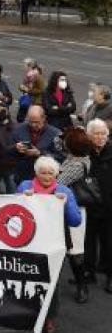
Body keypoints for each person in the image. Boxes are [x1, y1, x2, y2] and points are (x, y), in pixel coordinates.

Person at [16, 156, 84, 330]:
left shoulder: (64, 190)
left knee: (51, 283)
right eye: (43, 173)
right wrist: (23, 199)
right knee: (28, 280)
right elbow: (13, 212)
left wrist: (66, 204)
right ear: (36, 173)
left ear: (56, 174)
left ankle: (49, 318)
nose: (47, 177)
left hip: (56, 244)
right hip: (30, 243)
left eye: (50, 173)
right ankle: (29, 315)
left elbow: (75, 221)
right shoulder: (25, 186)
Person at [57, 127, 96, 303]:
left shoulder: (76, 165)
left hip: (72, 209)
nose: (63, 142)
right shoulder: (80, 158)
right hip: (71, 208)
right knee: (73, 249)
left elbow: (57, 183)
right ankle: (81, 283)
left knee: (74, 250)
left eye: (66, 140)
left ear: (71, 145)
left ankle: (82, 287)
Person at [85, 118, 112, 293]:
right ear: (89, 135)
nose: (100, 137)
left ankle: (110, 276)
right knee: (89, 240)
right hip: (89, 204)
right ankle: (89, 272)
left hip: (110, 205)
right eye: (96, 133)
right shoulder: (84, 153)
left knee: (109, 242)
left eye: (103, 133)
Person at [9, 105, 62, 184]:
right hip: (22, 177)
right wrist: (16, 148)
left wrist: (40, 153)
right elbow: (7, 151)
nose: (33, 125)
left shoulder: (56, 133)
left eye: (36, 122)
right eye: (30, 121)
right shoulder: (18, 130)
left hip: (46, 180)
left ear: (44, 118)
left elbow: (61, 157)